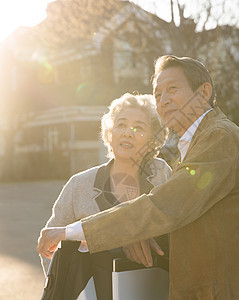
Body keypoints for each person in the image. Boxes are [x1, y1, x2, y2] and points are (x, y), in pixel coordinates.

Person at [38, 55, 239, 299]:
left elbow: (166, 206)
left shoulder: (219, 137)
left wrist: (72, 232)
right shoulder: (194, 144)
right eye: (158, 95)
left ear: (203, 93)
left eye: (172, 89)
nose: (164, 100)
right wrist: (134, 235)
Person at [39, 93, 171, 299]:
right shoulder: (79, 185)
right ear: (110, 134)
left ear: (153, 140)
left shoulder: (162, 174)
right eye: (121, 125)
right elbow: (53, 253)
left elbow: (173, 227)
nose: (128, 132)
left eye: (139, 127)